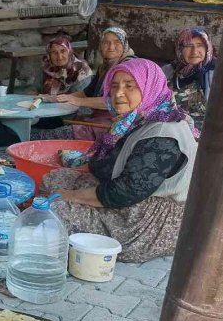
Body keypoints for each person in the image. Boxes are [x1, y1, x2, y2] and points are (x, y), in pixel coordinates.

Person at [42, 58, 198, 262]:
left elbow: (125, 191)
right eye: (114, 86)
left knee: (53, 210)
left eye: (130, 86)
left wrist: (70, 196)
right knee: (55, 178)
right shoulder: (139, 118)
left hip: (147, 223)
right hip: (133, 201)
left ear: (149, 86)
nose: (118, 93)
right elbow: (109, 165)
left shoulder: (163, 134)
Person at [162, 27, 216, 132]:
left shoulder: (217, 72)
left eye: (200, 45)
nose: (194, 51)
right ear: (179, 49)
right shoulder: (168, 70)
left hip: (205, 134)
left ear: (207, 47)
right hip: (170, 129)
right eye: (188, 46)